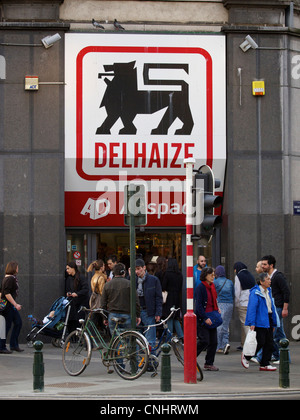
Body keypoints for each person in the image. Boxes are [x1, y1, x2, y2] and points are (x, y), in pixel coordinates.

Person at [241, 272, 279, 371]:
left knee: (269, 342)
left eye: (270, 279)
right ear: (261, 281)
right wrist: (252, 323)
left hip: (269, 318)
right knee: (260, 341)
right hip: (260, 320)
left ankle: (265, 363)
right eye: (268, 279)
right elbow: (252, 308)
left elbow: (271, 306)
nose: (270, 281)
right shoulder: (255, 292)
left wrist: (274, 321)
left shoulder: (268, 291)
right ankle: (247, 356)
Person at [261, 255, 290, 362]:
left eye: (265, 264)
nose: (262, 266)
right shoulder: (269, 277)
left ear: (271, 265)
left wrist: (285, 308)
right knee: (279, 333)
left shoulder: (278, 276)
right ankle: (282, 356)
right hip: (274, 307)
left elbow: (286, 292)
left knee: (271, 332)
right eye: (262, 264)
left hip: (278, 307)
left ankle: (260, 355)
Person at [101, 263, 141, 335]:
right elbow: (136, 301)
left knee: (116, 340)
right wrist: (137, 315)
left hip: (112, 314)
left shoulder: (107, 285)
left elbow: (103, 303)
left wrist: (105, 317)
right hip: (126, 314)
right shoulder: (129, 284)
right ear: (123, 272)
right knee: (129, 339)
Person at [195, 267, 220, 371]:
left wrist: (217, 309)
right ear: (205, 276)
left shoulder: (212, 286)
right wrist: (205, 318)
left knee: (214, 341)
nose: (213, 277)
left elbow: (214, 300)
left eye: (214, 275)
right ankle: (190, 358)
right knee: (204, 340)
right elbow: (199, 306)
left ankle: (209, 363)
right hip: (203, 318)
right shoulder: (200, 287)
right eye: (211, 275)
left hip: (212, 316)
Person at [135, 258, 162, 348]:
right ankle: (140, 360)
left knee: (150, 340)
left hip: (149, 311)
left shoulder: (153, 280)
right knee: (137, 340)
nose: (137, 271)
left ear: (144, 268)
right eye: (135, 269)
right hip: (137, 312)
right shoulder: (133, 280)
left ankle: (150, 360)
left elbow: (158, 297)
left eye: (138, 269)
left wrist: (158, 312)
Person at [0, 261, 23, 353]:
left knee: (18, 322)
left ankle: (14, 345)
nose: (18, 269)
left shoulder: (7, 278)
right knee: (6, 326)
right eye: (17, 267)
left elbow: (1, 292)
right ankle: (2, 347)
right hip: (8, 306)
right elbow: (6, 293)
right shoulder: (10, 279)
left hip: (8, 305)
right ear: (13, 268)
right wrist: (15, 304)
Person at [233, 262, 256, 350]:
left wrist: (237, 303)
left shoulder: (238, 276)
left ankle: (251, 346)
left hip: (243, 303)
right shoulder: (250, 275)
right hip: (252, 302)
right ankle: (243, 344)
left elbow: (237, 291)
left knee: (245, 324)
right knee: (246, 324)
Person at [161, 258, 184, 341]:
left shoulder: (167, 274)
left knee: (169, 317)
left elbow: (163, 286)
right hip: (177, 297)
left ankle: (169, 336)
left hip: (169, 296)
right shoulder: (180, 274)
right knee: (175, 317)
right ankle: (181, 335)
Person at [214, 265, 234, 354]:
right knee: (226, 325)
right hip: (230, 304)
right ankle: (225, 343)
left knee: (219, 325)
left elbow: (213, 294)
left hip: (220, 304)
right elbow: (233, 293)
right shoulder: (229, 282)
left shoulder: (215, 282)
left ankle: (219, 346)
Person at [65, 261, 89, 332]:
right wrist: (69, 293)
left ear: (73, 268)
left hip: (82, 303)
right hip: (73, 303)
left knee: (80, 321)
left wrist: (77, 294)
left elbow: (86, 289)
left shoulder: (81, 277)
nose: (67, 270)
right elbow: (68, 289)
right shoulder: (69, 279)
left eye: (68, 268)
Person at [87, 259, 107, 330]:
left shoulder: (94, 277)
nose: (105, 267)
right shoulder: (101, 278)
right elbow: (102, 292)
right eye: (104, 265)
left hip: (95, 302)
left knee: (93, 320)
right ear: (101, 267)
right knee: (105, 319)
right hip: (100, 301)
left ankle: (87, 337)